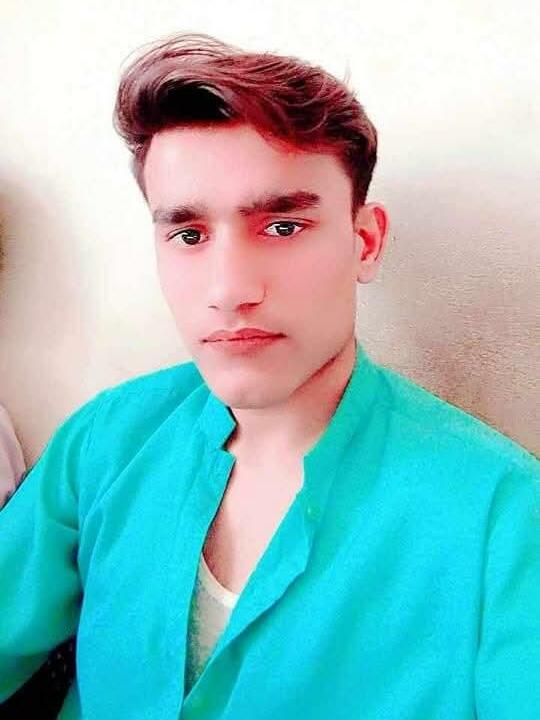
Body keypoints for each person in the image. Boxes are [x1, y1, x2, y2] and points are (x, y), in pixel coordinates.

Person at [0, 32, 538, 720]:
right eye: (189, 235)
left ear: (365, 241)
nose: (229, 289)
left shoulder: (505, 518)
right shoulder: (107, 440)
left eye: (282, 226)